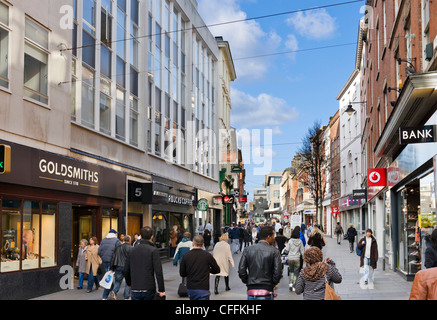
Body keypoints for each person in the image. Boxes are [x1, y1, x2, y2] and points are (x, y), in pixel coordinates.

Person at [238, 225, 282, 300]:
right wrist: (272, 283)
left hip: (251, 290)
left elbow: (241, 270)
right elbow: (277, 273)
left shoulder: (247, 250)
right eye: (273, 236)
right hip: (267, 290)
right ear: (268, 236)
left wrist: (248, 281)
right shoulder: (274, 251)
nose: (274, 238)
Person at [124, 226, 165, 300]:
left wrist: (129, 283)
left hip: (135, 286)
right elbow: (158, 271)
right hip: (148, 286)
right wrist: (161, 289)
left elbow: (126, 269)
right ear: (152, 237)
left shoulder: (132, 250)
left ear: (140, 236)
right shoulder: (153, 250)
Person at [179, 235, 220, 300]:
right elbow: (217, 270)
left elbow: (182, 273)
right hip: (203, 287)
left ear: (193, 244)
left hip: (191, 288)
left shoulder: (186, 256)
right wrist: (208, 269)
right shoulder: (207, 255)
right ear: (203, 244)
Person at [99, 229, 122, 300]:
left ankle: (111, 292)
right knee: (110, 279)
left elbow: (99, 251)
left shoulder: (103, 240)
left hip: (105, 261)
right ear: (114, 234)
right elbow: (119, 252)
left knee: (108, 277)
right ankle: (105, 295)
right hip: (113, 262)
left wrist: (103, 257)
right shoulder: (117, 241)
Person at [109, 235, 132, 300]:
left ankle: (114, 291)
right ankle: (126, 297)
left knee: (118, 281)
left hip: (118, 267)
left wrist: (112, 267)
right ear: (129, 240)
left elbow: (113, 257)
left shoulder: (118, 247)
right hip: (127, 268)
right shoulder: (131, 248)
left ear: (124, 240)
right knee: (128, 283)